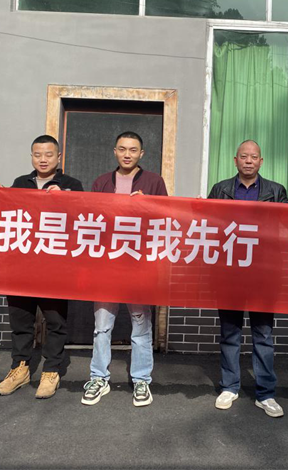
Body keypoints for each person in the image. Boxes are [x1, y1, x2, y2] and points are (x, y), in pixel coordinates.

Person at [0, 135, 83, 399]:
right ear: (31, 156)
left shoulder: (72, 185)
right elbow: (6, 215)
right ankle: (19, 369)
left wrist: (66, 199)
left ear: (59, 157)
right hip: (22, 267)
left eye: (48, 154)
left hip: (55, 268)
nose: (43, 159)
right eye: (37, 154)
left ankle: (51, 371)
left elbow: (84, 219)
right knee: (21, 321)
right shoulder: (20, 183)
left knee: (55, 322)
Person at [81, 131, 167, 407]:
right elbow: (92, 219)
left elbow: (165, 219)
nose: (127, 154)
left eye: (133, 150)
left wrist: (147, 205)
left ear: (142, 154)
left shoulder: (154, 181)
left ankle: (141, 380)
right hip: (107, 266)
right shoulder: (101, 182)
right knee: (102, 326)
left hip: (139, 266)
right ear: (115, 151)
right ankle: (98, 377)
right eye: (122, 149)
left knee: (141, 326)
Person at [207, 140, 288, 418]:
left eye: (254, 157)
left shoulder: (276, 191)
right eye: (244, 156)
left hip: (263, 274)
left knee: (263, 335)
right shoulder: (221, 189)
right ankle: (229, 387)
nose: (249, 161)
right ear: (235, 160)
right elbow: (210, 225)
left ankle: (266, 393)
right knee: (229, 333)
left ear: (261, 161)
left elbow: (285, 227)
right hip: (229, 272)